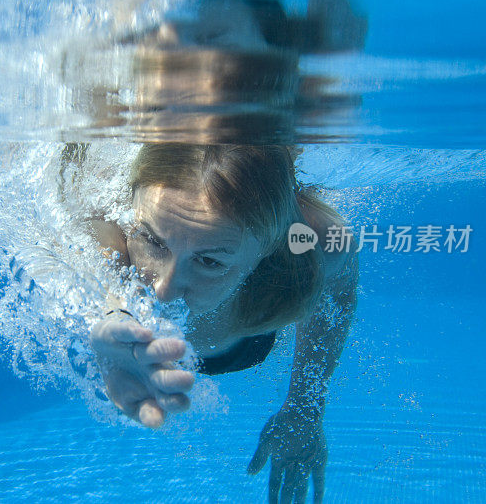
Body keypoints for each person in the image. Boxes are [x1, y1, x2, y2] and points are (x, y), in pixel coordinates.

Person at [86, 142, 358, 503]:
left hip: (248, 336)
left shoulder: (314, 244)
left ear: (268, 251)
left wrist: (303, 411)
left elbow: (336, 298)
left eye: (210, 262)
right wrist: (108, 312)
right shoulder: (105, 224)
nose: (164, 290)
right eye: (152, 240)